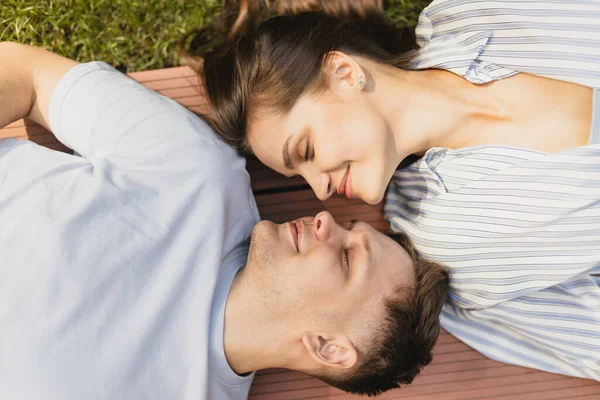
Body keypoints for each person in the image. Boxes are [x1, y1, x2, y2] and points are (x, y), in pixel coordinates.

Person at [0, 42, 449, 399]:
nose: (325, 222)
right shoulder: (198, 171)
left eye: (349, 259)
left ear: (328, 347)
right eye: (349, 228)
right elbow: (26, 74)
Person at [195, 0, 600, 381]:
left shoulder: (469, 14)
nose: (321, 190)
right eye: (300, 178)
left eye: (307, 150)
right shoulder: (444, 241)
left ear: (344, 74)